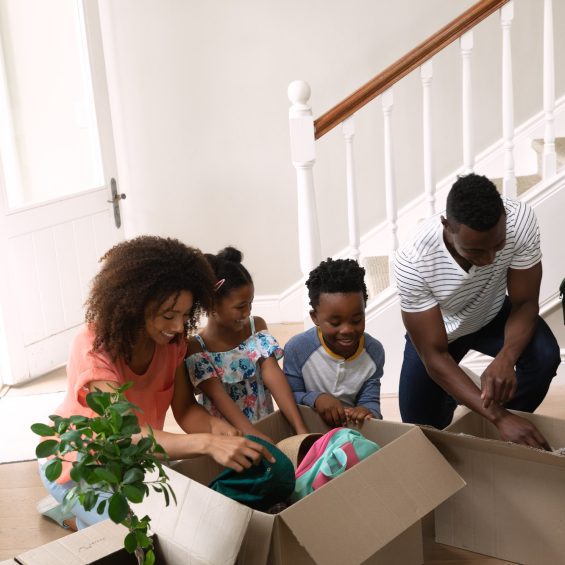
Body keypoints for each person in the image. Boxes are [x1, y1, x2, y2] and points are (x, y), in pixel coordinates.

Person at [38, 236, 274, 530]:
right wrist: (208, 443)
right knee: (139, 533)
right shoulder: (92, 347)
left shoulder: (172, 343)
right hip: (77, 466)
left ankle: (86, 518)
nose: (178, 327)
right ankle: (72, 514)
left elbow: (186, 410)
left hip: (135, 461)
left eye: (186, 315)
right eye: (168, 315)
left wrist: (221, 430)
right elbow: (125, 435)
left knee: (181, 522)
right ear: (134, 303)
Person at [394, 173, 561, 448]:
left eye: (498, 245)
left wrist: (506, 358)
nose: (489, 259)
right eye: (475, 251)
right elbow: (434, 355)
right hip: (442, 332)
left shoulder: (520, 220)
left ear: (505, 221)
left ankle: (497, 439)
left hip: (492, 312)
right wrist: (498, 416)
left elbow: (525, 303)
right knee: (422, 431)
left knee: (544, 356)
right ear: (447, 226)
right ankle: (473, 403)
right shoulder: (413, 261)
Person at [185, 247, 308, 439]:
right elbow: (219, 397)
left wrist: (300, 428)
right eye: (241, 307)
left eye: (250, 303)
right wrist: (252, 435)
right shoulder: (196, 347)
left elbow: (273, 375)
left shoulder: (255, 326)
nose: (248, 312)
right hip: (229, 439)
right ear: (211, 305)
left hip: (265, 425)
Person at [283, 258, 384, 428]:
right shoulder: (297, 349)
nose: (347, 330)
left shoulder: (374, 351)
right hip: (308, 431)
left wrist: (367, 410)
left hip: (351, 433)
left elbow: (371, 400)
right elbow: (289, 397)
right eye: (335, 323)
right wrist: (316, 398)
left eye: (357, 319)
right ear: (315, 317)